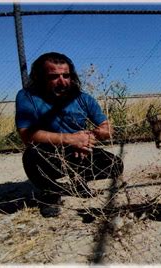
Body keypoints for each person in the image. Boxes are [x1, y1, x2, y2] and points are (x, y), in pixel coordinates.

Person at [15, 52, 123, 217]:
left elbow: (108, 129)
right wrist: (71, 140)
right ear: (40, 78)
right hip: (48, 154)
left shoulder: (83, 98)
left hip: (79, 153)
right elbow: (26, 135)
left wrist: (89, 137)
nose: (62, 81)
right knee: (31, 156)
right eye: (54, 77)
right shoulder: (27, 97)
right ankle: (50, 193)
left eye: (66, 75)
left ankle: (78, 180)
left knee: (115, 165)